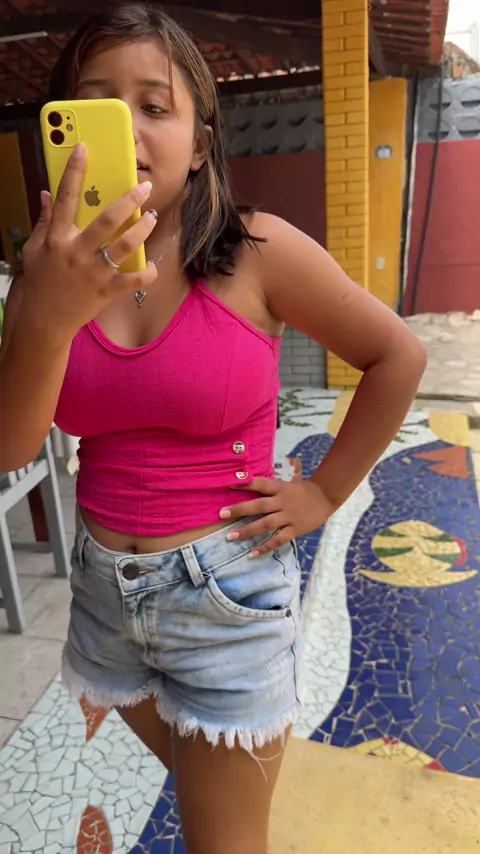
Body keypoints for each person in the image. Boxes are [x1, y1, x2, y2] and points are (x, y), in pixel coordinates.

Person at [0, 4, 427, 853]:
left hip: (225, 600)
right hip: (103, 603)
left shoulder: (256, 250)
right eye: (96, 105)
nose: (126, 128)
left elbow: (398, 356)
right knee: (213, 801)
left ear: (199, 142)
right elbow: (12, 448)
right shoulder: (45, 274)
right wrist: (43, 314)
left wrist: (324, 492)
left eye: (153, 105)